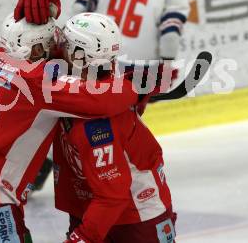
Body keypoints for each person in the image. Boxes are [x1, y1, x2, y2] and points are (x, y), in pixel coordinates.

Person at [0, 0, 139, 242]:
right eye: (52, 40)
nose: (59, 45)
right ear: (36, 49)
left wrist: (47, 2)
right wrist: (136, 85)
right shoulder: (38, 82)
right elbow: (103, 101)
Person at [52, 13, 176, 243]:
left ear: (79, 55)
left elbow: (113, 196)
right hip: (93, 209)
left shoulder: (98, 122)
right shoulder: (93, 85)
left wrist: (82, 238)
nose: (58, 48)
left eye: (66, 45)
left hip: (133, 218)